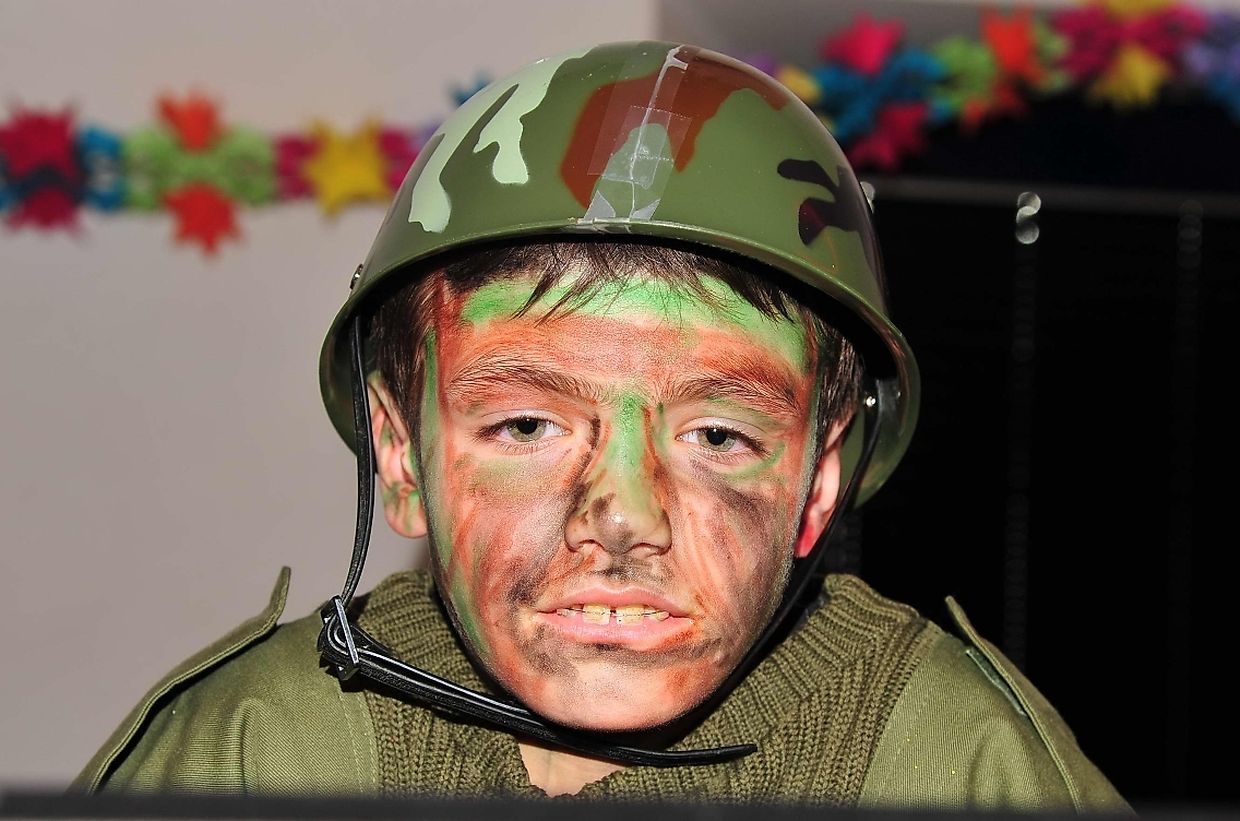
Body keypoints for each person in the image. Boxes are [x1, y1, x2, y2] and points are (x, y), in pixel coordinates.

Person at [74, 40, 1130, 811]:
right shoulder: (255, 752)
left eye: (718, 437)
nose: (623, 517)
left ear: (818, 482)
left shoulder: (960, 767)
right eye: (527, 424)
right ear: (401, 456)